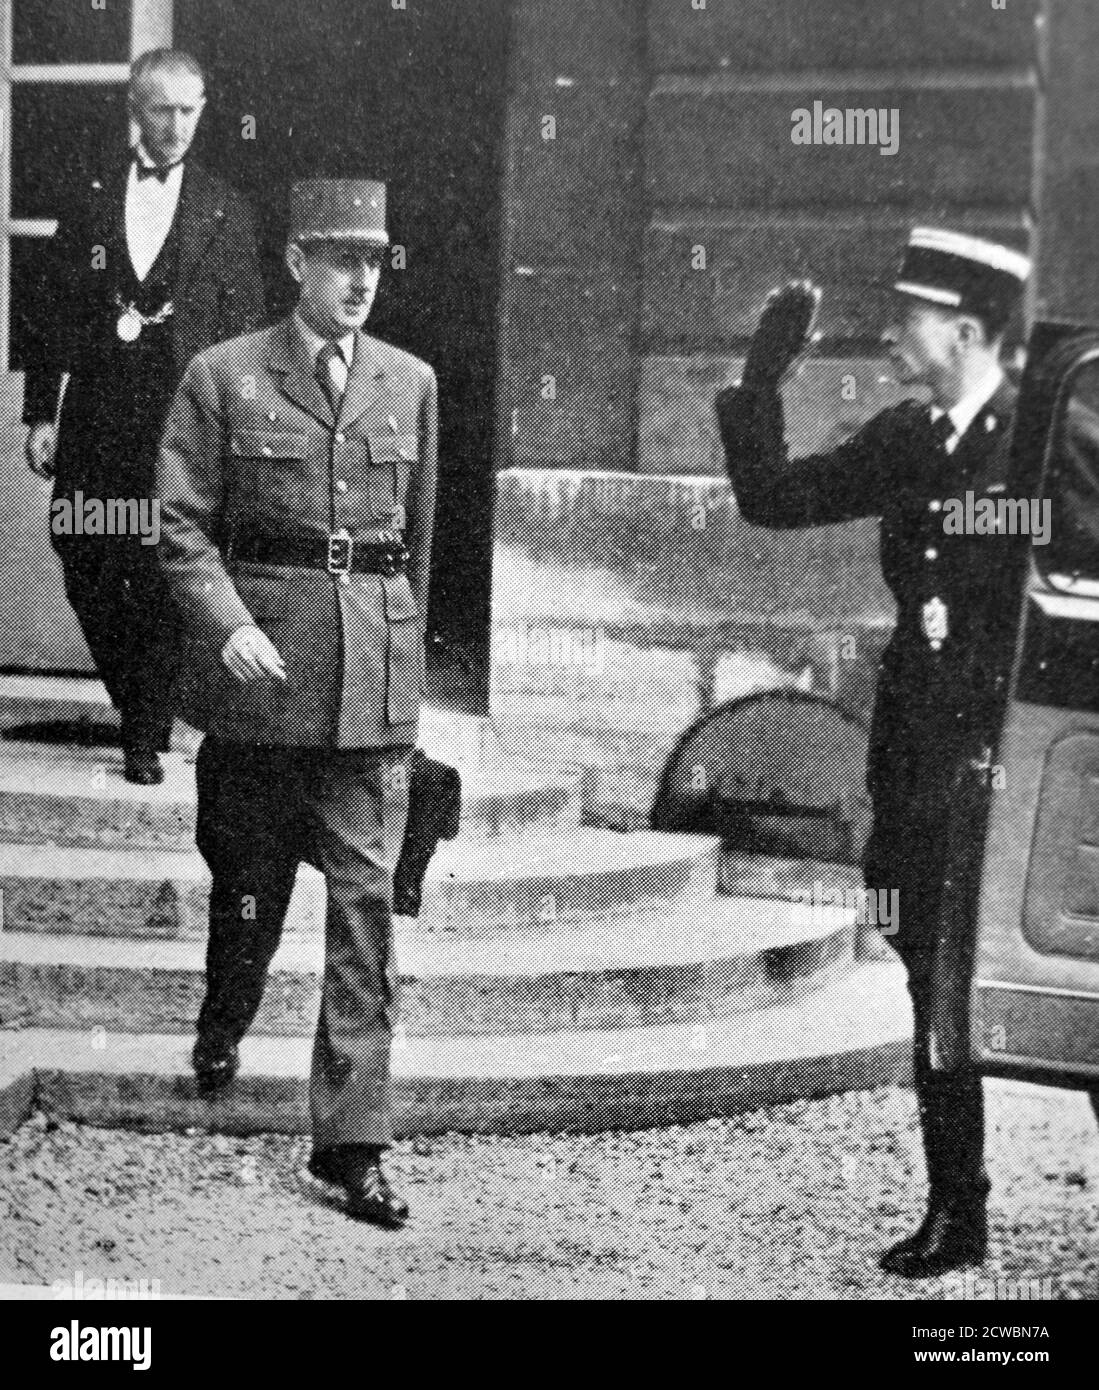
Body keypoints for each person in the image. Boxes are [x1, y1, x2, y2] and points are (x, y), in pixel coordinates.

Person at [716, 228, 1075, 1278]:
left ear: (963, 330)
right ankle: (956, 1211)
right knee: (928, 976)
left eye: (907, 319)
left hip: (1019, 763)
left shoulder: (1042, 439)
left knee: (1056, 980)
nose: (889, 335)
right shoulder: (909, 435)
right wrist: (757, 384)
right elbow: (773, 498)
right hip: (920, 762)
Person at [156, 179, 437, 1229]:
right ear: (293, 262)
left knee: (364, 911)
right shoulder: (222, 377)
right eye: (338, 257)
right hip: (257, 686)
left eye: (374, 257)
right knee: (249, 887)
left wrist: (404, 679)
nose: (361, 277)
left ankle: (351, 1144)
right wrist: (227, 623)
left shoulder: (410, 383)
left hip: (367, 689)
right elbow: (180, 527)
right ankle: (224, 1015)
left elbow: (420, 549)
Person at [23, 47, 265, 784]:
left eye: (190, 109)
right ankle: (135, 697)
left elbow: (247, 329)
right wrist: (42, 411)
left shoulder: (226, 209)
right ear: (135, 111)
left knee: (162, 565)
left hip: (183, 424)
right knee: (86, 547)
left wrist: (239, 427)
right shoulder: (91, 199)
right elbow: (54, 312)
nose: (178, 125)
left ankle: (144, 725)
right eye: (163, 109)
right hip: (99, 416)